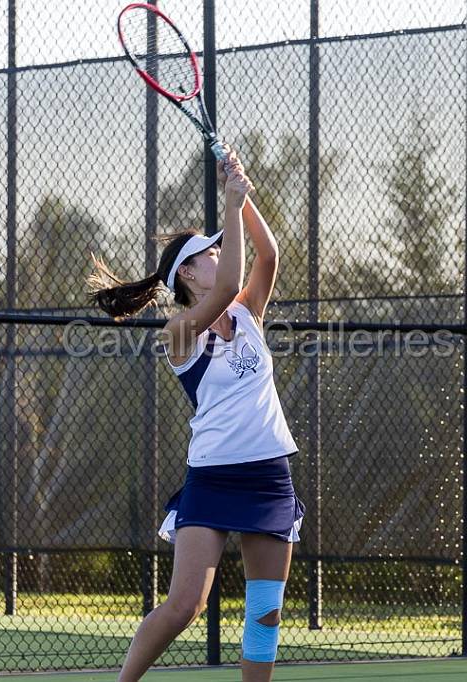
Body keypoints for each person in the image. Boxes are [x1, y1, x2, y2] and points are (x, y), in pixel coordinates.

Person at [90, 146, 304, 682]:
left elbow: (268, 256)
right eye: (210, 252)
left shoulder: (247, 312)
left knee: (265, 612)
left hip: (269, 474)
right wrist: (229, 207)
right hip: (212, 478)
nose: (219, 255)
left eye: (218, 249)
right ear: (187, 273)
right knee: (185, 607)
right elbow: (230, 280)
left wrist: (243, 194)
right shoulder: (181, 333)